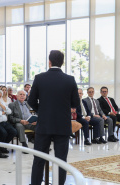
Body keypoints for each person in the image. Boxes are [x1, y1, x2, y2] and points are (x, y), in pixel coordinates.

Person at [29, 50, 80, 185]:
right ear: (62, 63)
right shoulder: (70, 79)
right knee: (61, 160)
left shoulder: (39, 78)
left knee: (39, 159)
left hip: (44, 124)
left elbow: (31, 101)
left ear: (49, 62)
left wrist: (42, 111)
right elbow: (75, 103)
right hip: (62, 125)